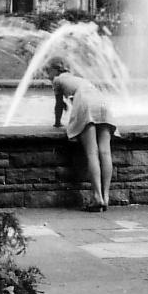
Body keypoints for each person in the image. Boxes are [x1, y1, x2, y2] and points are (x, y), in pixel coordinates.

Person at [46, 59, 117, 212]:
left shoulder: (57, 80)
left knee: (92, 152)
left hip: (85, 101)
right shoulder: (78, 79)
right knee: (105, 152)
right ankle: (106, 197)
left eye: (48, 71)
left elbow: (58, 105)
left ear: (56, 70)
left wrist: (57, 123)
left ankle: (97, 197)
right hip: (102, 101)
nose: (47, 75)